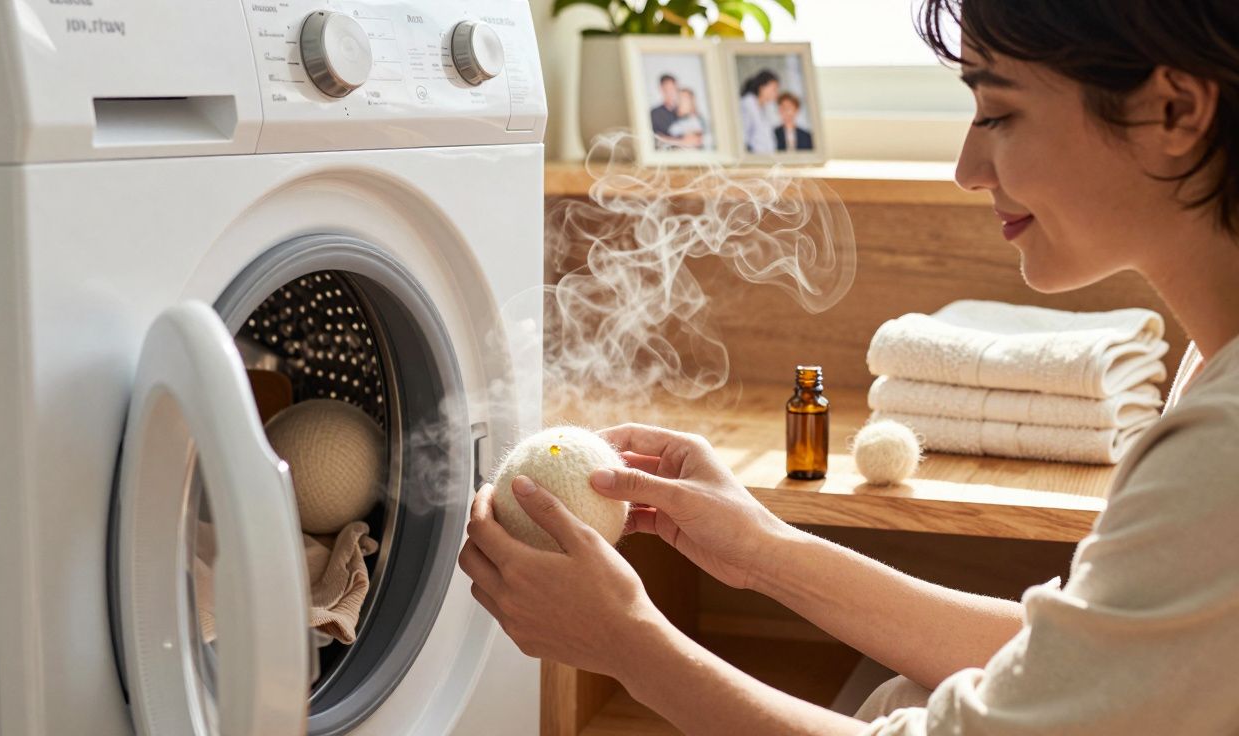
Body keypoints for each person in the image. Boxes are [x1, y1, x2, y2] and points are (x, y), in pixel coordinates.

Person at [460, 0, 1239, 733]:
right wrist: (761, 548)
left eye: (999, 113)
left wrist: (628, 645)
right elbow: (1085, 661)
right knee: (903, 687)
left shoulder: (1220, 452)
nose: (968, 166)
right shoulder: (1210, 363)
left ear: (1173, 110)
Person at [739, 69, 780, 154]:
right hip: (754, 158)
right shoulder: (747, 104)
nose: (776, 93)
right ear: (762, 88)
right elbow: (744, 137)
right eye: (774, 89)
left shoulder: (766, 107)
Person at [650, 73, 680, 145]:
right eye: (666, 90)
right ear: (661, 89)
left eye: (672, 89)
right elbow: (657, 138)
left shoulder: (683, 112)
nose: (670, 93)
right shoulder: (655, 114)